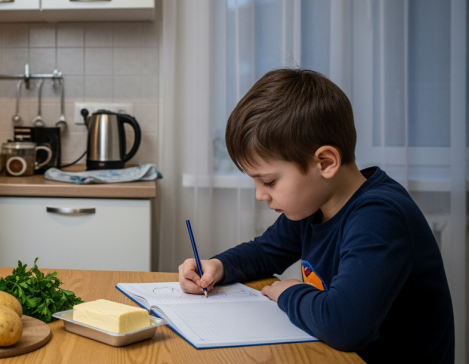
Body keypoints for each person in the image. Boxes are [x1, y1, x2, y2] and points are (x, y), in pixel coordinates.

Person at [177, 68, 454, 363]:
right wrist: (218, 266)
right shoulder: (316, 203)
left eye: (269, 181)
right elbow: (265, 253)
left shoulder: (379, 216)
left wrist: (289, 292)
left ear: (325, 162)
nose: (259, 194)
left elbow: (345, 325)